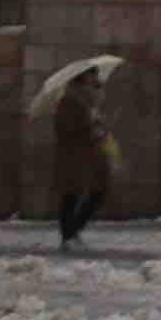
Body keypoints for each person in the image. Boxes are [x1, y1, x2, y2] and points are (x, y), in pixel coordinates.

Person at [48, 64, 122, 247]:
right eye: (92, 75)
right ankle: (68, 236)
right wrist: (92, 127)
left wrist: (99, 125)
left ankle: (73, 231)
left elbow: (92, 125)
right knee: (71, 194)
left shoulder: (88, 102)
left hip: (89, 156)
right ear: (82, 78)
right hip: (73, 156)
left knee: (97, 192)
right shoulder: (69, 100)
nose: (96, 79)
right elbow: (67, 128)